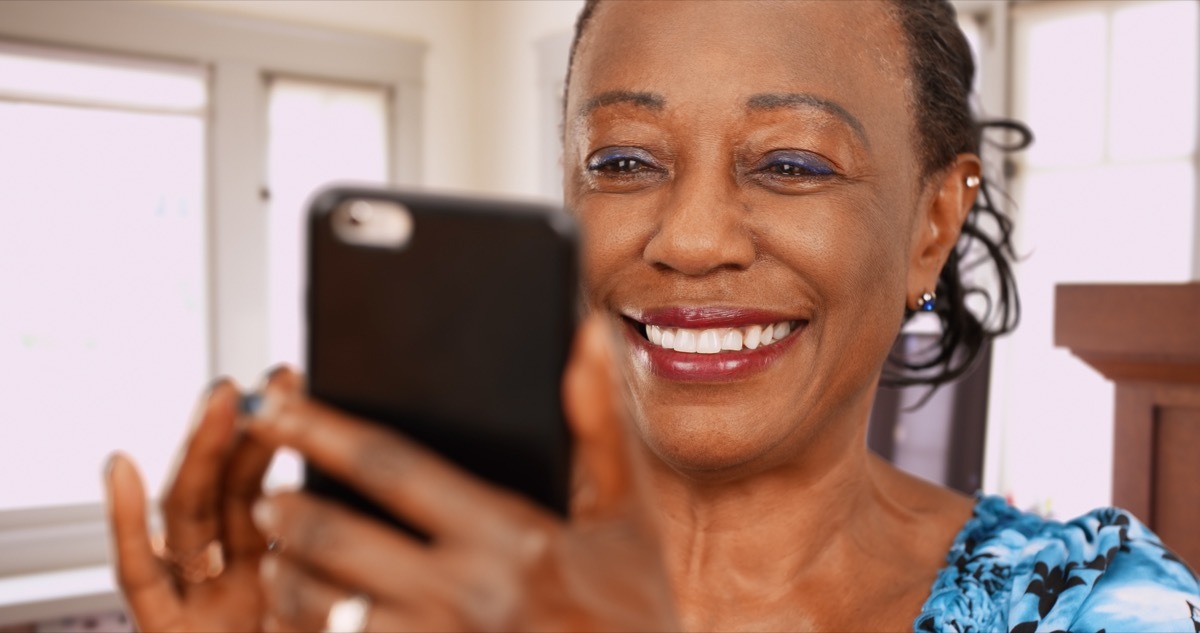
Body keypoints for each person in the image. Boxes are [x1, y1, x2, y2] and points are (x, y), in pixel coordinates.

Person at [104, 1, 1200, 631]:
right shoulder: (432, 590)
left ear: (929, 221)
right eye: (624, 159)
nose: (687, 238)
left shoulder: (1096, 604)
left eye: (789, 162)